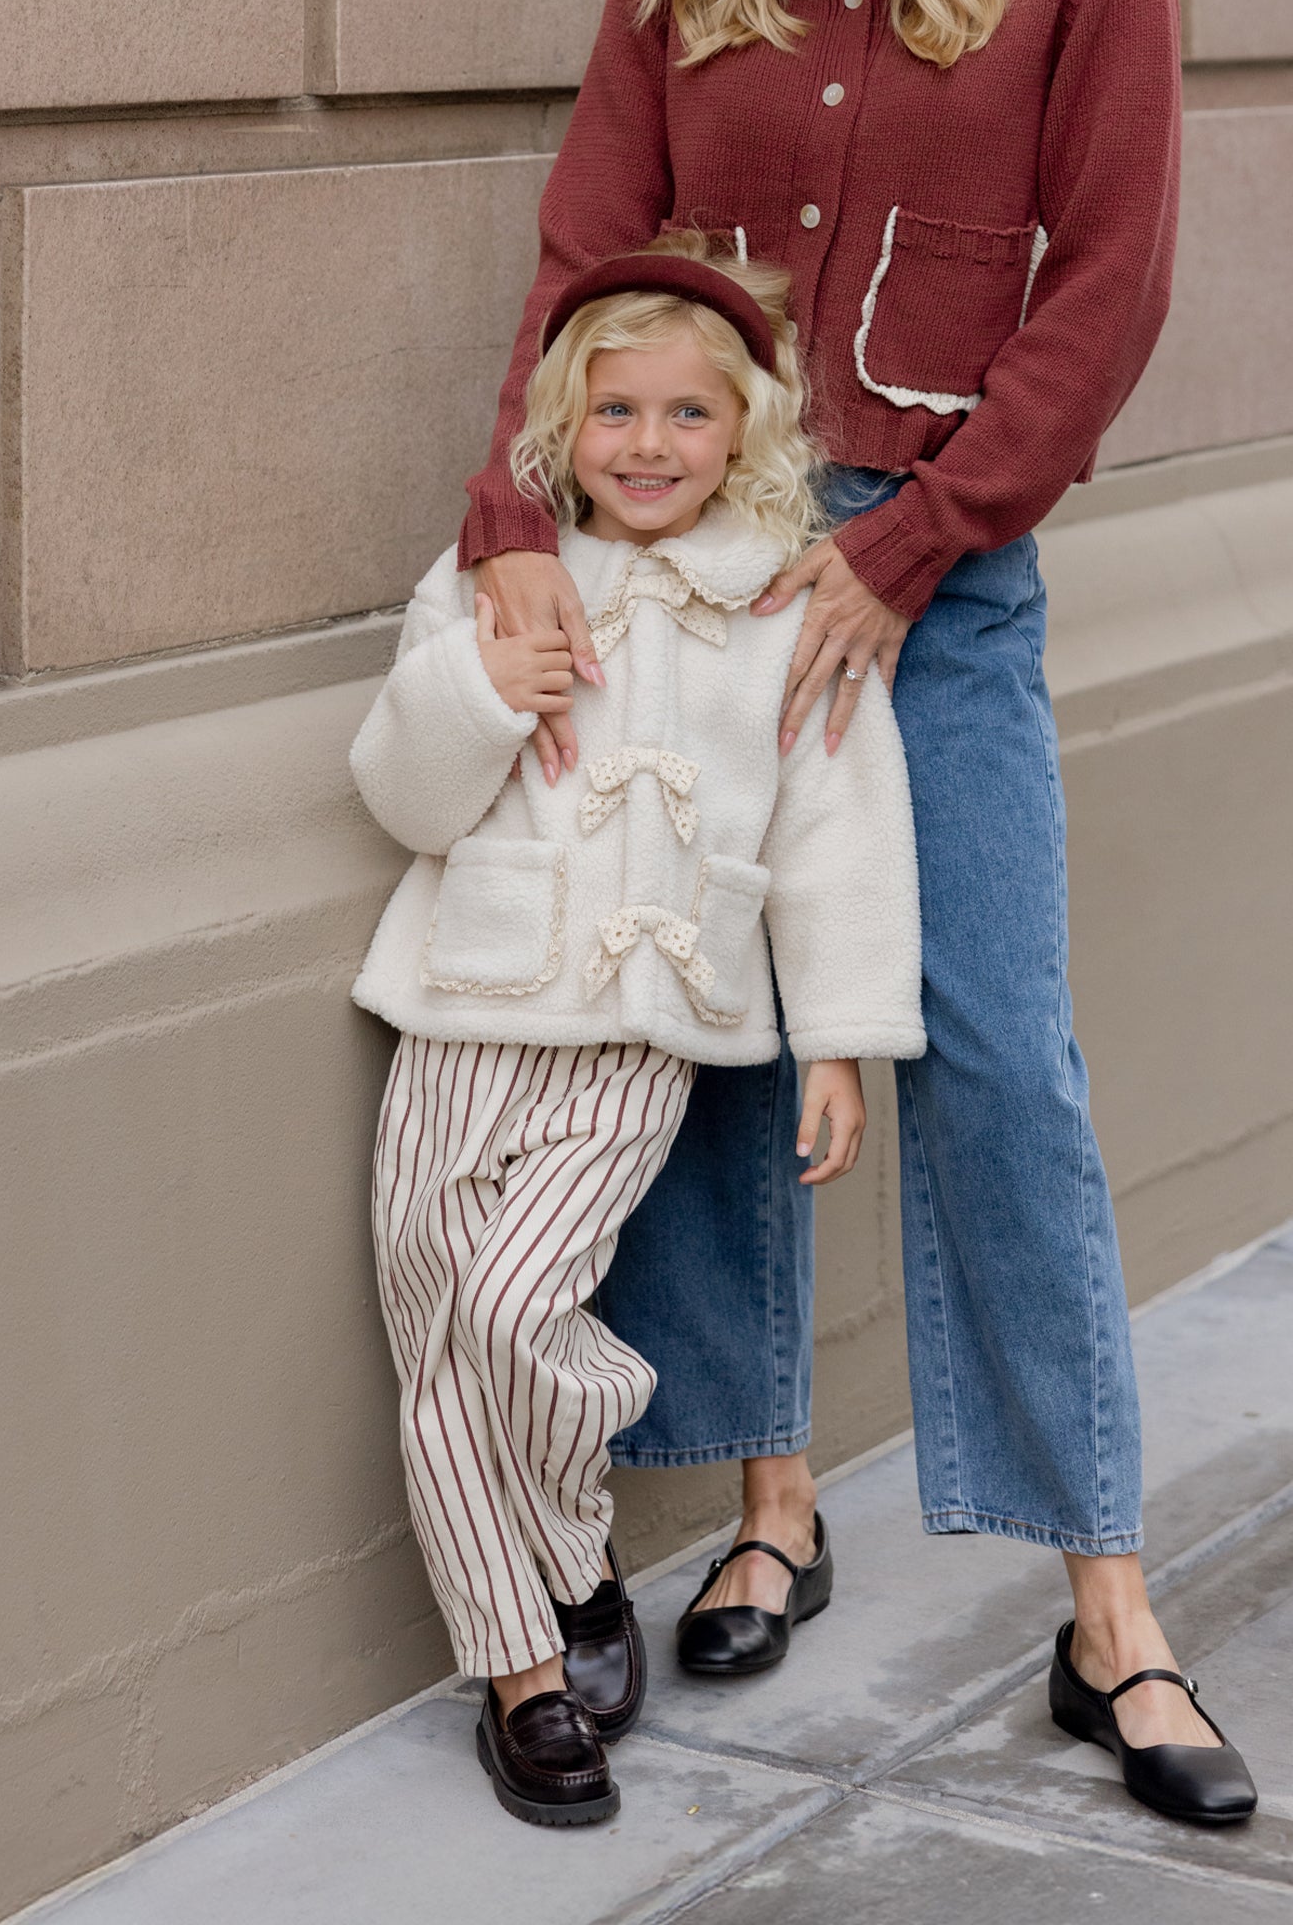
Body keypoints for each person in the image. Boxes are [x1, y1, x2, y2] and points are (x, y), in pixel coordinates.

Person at [459, 0, 1257, 1824]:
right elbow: (581, 269)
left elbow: (1101, 296)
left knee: (999, 1055)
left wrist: (907, 556)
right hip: (700, 588)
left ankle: (1110, 1607)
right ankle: (766, 1499)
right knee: (723, 1039)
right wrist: (515, 526)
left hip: (939, 581)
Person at [348, 241, 924, 1826]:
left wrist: (840, 1037)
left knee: (518, 1306)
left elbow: (843, 829)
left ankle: (574, 1541)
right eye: (616, 411)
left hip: (635, 1038)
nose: (650, 445)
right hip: (464, 1009)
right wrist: (479, 685)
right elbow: (401, 792)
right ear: (561, 422)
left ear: (744, 434)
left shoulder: (777, 609)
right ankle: (528, 1666)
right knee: (434, 1326)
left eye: (687, 414)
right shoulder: (494, 588)